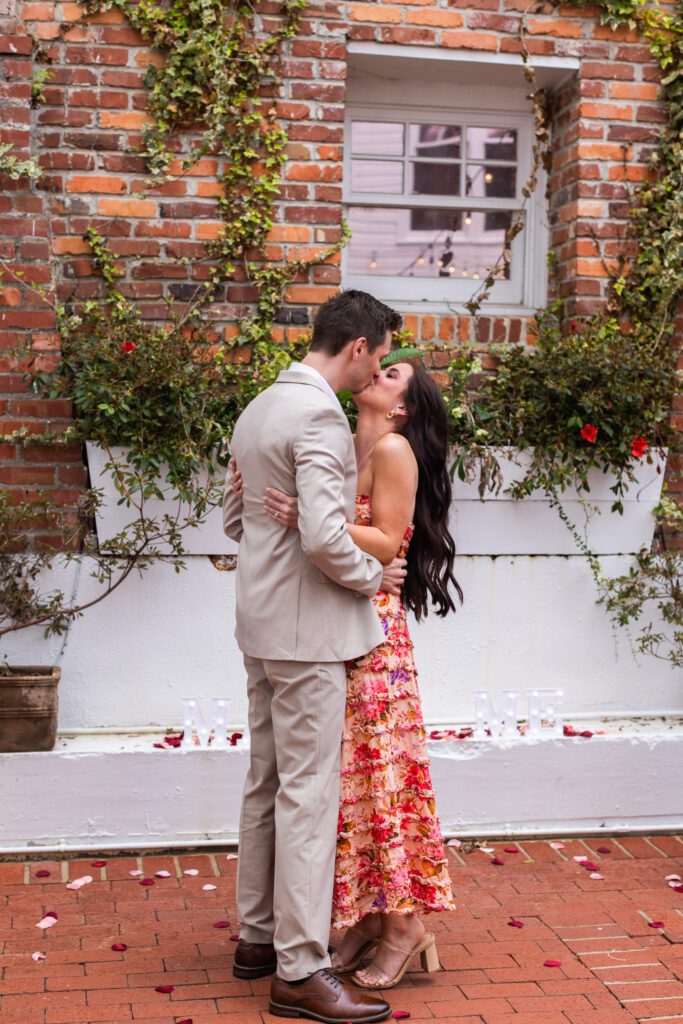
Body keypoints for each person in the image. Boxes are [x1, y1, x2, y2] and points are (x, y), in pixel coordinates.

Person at [233, 358, 461, 990]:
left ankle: (406, 927)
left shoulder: (391, 449)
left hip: (373, 636)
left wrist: (305, 516)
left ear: (404, 408)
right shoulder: (341, 436)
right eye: (381, 365)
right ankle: (366, 919)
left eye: (393, 376)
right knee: (350, 782)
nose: (378, 374)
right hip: (337, 620)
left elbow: (389, 542)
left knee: (381, 777)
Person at [222, 290, 408, 1023]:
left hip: (261, 624)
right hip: (306, 634)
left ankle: (256, 940)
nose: (381, 368)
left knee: (265, 783)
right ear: (357, 346)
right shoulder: (320, 418)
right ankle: (298, 969)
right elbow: (327, 538)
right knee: (307, 795)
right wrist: (375, 578)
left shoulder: (260, 407)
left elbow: (235, 516)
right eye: (382, 353)